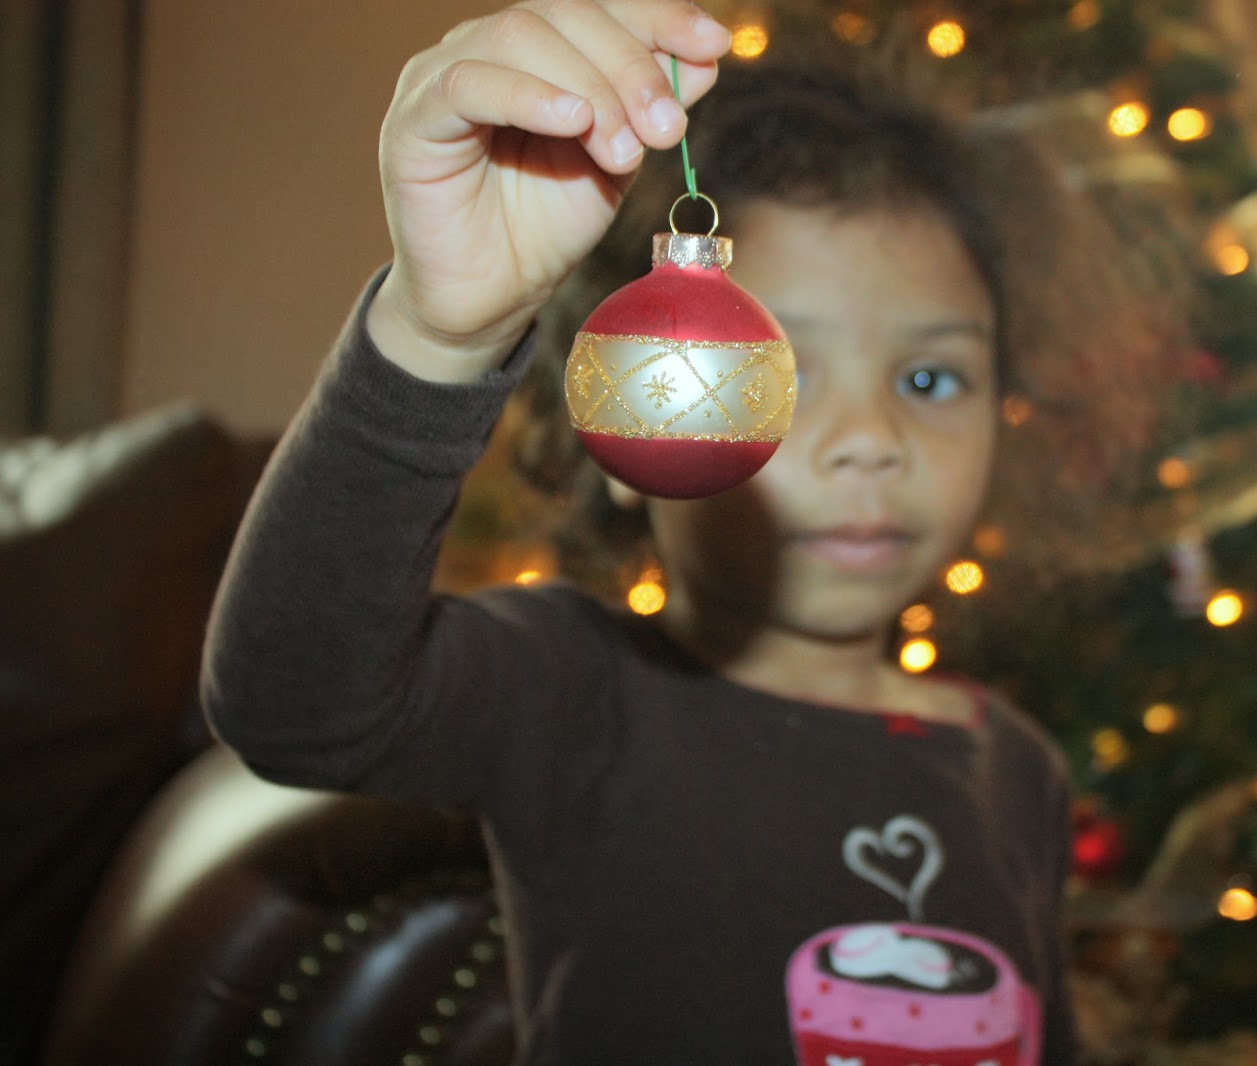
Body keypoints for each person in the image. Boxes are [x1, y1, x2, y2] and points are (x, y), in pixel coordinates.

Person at [203, 2, 1094, 1062]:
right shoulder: (577, 692)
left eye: (930, 378)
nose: (871, 440)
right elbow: (292, 701)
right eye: (776, 373)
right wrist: (437, 333)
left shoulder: (1018, 771)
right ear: (626, 424)